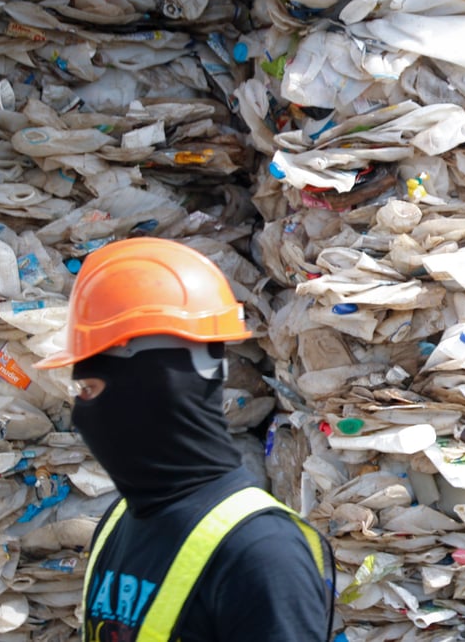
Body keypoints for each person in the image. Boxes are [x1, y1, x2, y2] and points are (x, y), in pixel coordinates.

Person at [34, 237, 334, 642]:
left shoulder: (261, 553)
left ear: (154, 389)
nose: (82, 416)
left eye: (89, 390)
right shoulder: (119, 522)